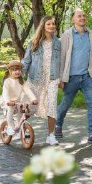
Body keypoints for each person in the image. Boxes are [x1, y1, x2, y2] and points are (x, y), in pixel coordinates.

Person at [55, 9, 92, 144]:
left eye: (84, 16)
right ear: (73, 19)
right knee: (65, 104)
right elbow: (62, 57)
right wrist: (60, 78)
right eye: (79, 16)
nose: (82, 18)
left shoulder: (91, 34)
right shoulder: (67, 35)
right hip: (71, 78)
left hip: (87, 77)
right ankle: (58, 125)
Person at [22, 16, 61, 146]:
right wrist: (19, 76)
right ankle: (20, 126)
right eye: (49, 24)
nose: (51, 26)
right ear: (43, 26)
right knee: (30, 106)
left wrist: (62, 79)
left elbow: (61, 61)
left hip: (52, 79)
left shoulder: (58, 43)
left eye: (53, 24)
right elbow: (26, 60)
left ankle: (51, 135)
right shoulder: (33, 42)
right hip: (36, 78)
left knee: (52, 105)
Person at [0, 59, 37, 139]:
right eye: (14, 70)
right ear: (10, 71)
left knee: (22, 109)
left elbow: (28, 90)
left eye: (19, 70)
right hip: (7, 102)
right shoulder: (7, 81)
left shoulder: (21, 81)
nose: (17, 72)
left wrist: (33, 99)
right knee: (11, 107)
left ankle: (19, 129)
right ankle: (10, 126)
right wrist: (8, 101)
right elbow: (5, 93)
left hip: (16, 102)